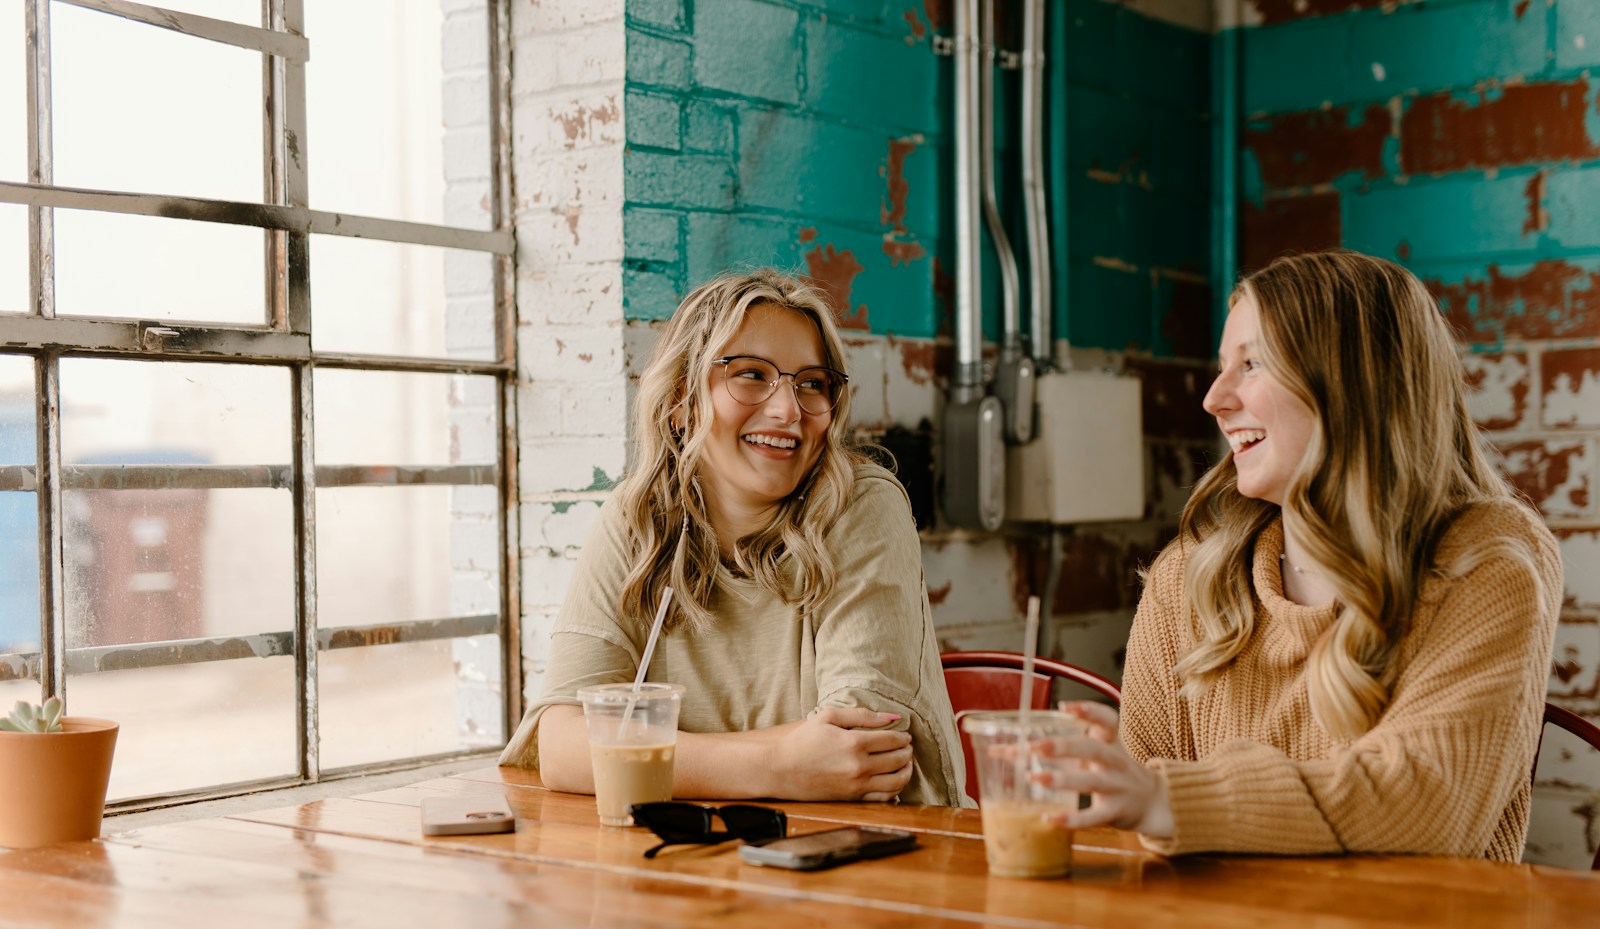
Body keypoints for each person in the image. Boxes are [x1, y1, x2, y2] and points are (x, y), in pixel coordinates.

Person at [1051, 250, 1562, 861]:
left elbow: (1425, 804)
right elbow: (1137, 830)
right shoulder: (1187, 578)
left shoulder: (1490, 561)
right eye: (1222, 368)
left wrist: (1169, 795)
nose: (1214, 399)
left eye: (1252, 365)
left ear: (1356, 382)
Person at [500, 268, 966, 806]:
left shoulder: (861, 504)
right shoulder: (636, 520)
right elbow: (560, 746)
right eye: (750, 374)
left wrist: (646, 753)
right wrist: (778, 764)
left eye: (812, 383)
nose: (788, 409)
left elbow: (857, 753)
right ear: (681, 400)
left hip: (887, 859)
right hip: (699, 861)